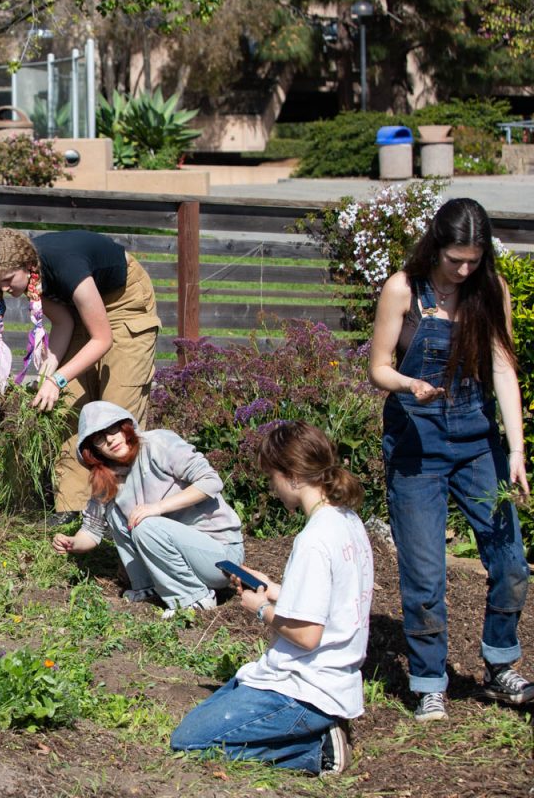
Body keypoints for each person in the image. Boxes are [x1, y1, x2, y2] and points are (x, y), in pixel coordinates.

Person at [368, 197, 532, 721]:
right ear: (435, 245)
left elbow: (503, 367)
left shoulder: (490, 289)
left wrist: (516, 448)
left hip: (476, 439)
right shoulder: (403, 289)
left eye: (473, 260)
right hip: (417, 442)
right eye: (455, 259)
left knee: (509, 560)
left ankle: (500, 664)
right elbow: (378, 368)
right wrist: (408, 384)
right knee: (425, 573)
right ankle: (429, 681)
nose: (464, 270)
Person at [171, 420, 374, 776]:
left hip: (306, 689)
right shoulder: (347, 521)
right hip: (331, 679)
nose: (271, 486)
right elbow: (332, 599)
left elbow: (307, 635)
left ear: (293, 475)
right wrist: (272, 586)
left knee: (189, 740)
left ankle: (316, 751)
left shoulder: (313, 540)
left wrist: (261, 607)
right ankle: (312, 733)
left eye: (272, 477)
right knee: (211, 712)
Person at [0, 228, 160, 523]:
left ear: (27, 265)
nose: (7, 290)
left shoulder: (64, 265)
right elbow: (63, 324)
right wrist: (48, 375)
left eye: (8, 281)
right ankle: (72, 510)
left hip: (123, 302)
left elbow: (102, 338)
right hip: (81, 307)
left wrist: (57, 379)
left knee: (118, 413)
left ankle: (124, 513)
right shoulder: (33, 281)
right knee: (67, 405)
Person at [50, 401, 243, 617]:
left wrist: (157, 508)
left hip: (221, 558)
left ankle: (194, 598)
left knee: (145, 523)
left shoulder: (156, 443)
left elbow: (211, 481)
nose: (110, 439)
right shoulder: (105, 476)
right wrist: (72, 543)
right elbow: (92, 531)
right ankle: (148, 586)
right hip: (176, 556)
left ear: (125, 427)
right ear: (93, 450)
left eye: (112, 429)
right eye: (99, 438)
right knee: (115, 513)